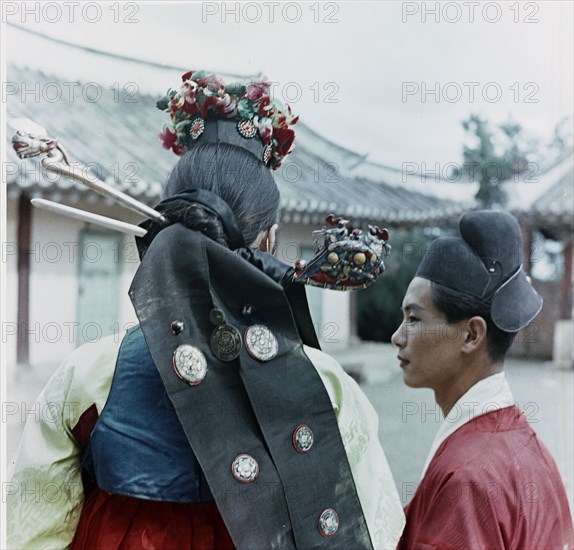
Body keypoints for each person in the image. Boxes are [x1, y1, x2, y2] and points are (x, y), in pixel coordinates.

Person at [7, 70, 405, 549]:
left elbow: (32, 530)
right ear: (270, 239)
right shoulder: (330, 387)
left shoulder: (89, 373)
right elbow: (376, 531)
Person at [392, 209, 574, 548]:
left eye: (414, 320)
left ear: (471, 335)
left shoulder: (467, 478)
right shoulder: (530, 446)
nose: (397, 337)